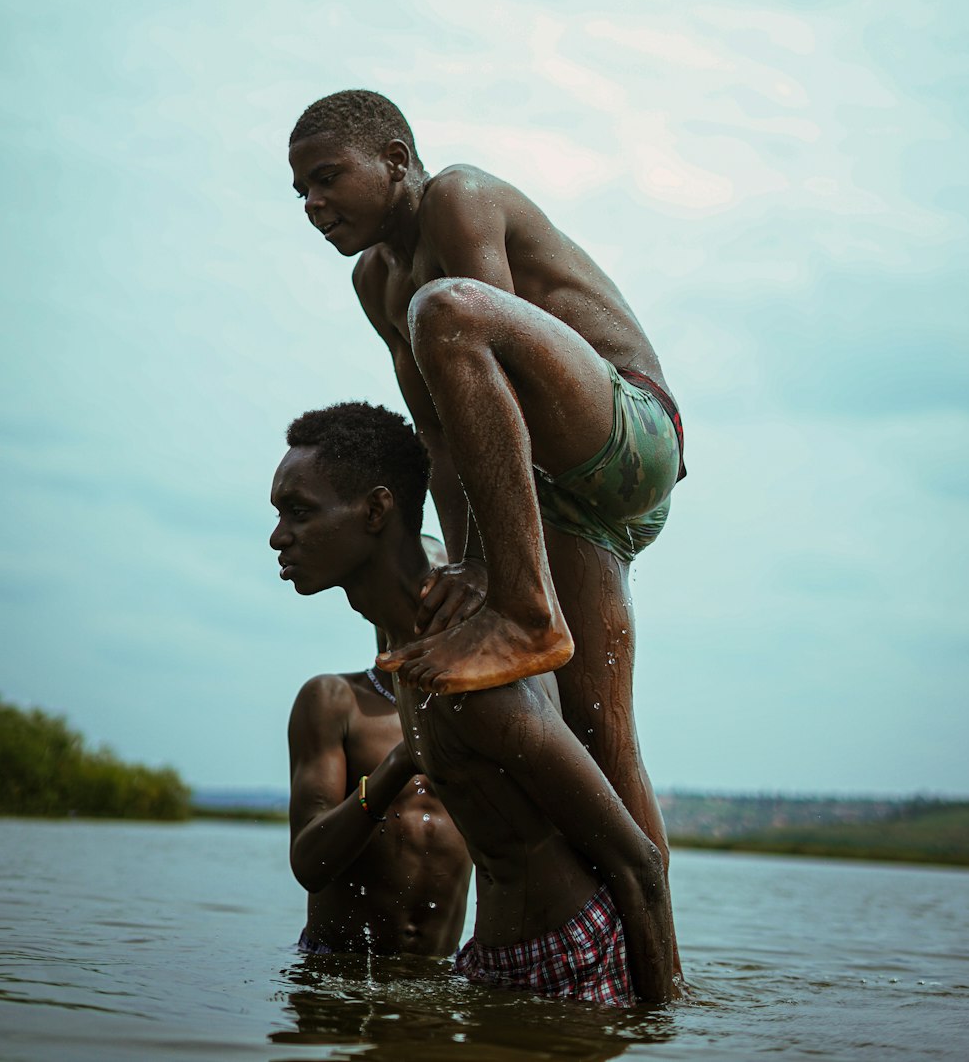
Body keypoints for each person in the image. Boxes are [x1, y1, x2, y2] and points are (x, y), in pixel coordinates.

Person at [287, 88, 685, 984]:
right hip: (556, 496)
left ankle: (530, 606)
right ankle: (653, 987)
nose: (314, 205)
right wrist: (467, 563)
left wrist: (502, 580)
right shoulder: (372, 281)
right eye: (299, 192)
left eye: (327, 178)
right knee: (598, 732)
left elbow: (491, 350)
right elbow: (441, 433)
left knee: (448, 313)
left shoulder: (457, 199)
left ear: (394, 157)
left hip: (627, 430)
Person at [270, 402, 669, 1006]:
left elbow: (638, 864)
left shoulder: (470, 672)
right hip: (482, 968)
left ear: (377, 510)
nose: (278, 536)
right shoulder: (403, 670)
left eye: (299, 511)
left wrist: (660, 1020)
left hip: (563, 965)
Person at [288, 536, 472, 957]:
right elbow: (310, 865)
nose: (429, 601)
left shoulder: (477, 714)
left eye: (444, 589)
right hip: (337, 972)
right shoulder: (334, 701)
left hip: (439, 980)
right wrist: (400, 762)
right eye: (417, 586)